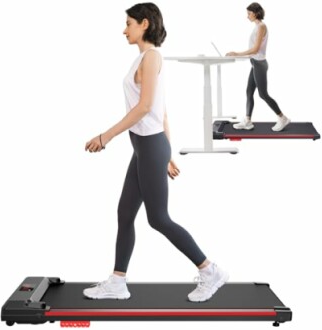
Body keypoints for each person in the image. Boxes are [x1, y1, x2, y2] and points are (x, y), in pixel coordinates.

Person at [84, 2, 228, 302]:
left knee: (158, 218)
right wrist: (168, 154)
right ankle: (117, 282)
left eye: (129, 24)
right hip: (147, 148)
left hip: (149, 146)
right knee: (125, 213)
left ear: (145, 24)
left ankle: (210, 270)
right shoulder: (141, 60)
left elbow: (146, 107)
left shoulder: (151, 57)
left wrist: (105, 136)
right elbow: (161, 112)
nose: (124, 30)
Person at [226, 2, 290, 131]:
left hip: (260, 64)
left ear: (256, 13)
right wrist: (238, 56)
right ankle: (248, 121)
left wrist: (237, 54)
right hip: (255, 63)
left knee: (263, 94)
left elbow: (255, 49)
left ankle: (283, 118)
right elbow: (254, 52)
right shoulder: (257, 27)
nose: (247, 16)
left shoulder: (261, 26)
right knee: (249, 91)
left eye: (249, 13)